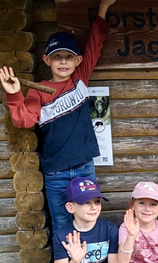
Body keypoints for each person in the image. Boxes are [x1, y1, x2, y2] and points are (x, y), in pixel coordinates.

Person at [0, 0, 117, 231]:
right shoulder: (37, 90)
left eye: (68, 56)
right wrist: (13, 94)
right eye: (56, 56)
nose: (63, 61)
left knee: (89, 220)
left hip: (84, 166)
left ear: (78, 60)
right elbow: (24, 120)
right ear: (46, 60)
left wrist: (103, 8)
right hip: (56, 171)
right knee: (62, 223)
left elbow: (95, 43)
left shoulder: (80, 79)